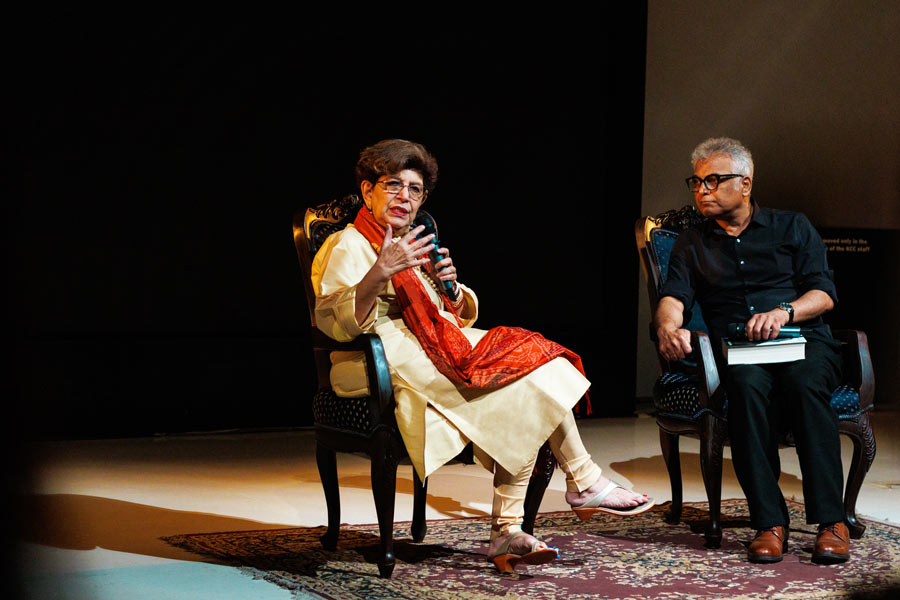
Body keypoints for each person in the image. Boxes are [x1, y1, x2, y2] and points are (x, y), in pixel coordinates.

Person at [312, 138, 653, 573]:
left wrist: (450, 288)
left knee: (539, 363)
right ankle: (566, 493)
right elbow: (331, 320)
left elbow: (445, 313)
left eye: (414, 190)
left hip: (432, 346)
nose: (404, 197)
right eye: (393, 185)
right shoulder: (348, 244)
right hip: (374, 359)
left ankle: (523, 522)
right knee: (524, 383)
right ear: (368, 191)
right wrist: (381, 272)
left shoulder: (412, 243)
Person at [655, 137, 849, 564]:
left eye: (713, 180)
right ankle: (769, 521)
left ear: (744, 183)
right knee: (744, 387)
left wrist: (784, 311)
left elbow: (824, 293)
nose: (701, 190)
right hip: (740, 349)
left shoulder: (792, 226)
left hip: (800, 340)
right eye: (696, 181)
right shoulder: (692, 241)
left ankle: (831, 521)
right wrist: (668, 325)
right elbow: (674, 296)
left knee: (805, 384)